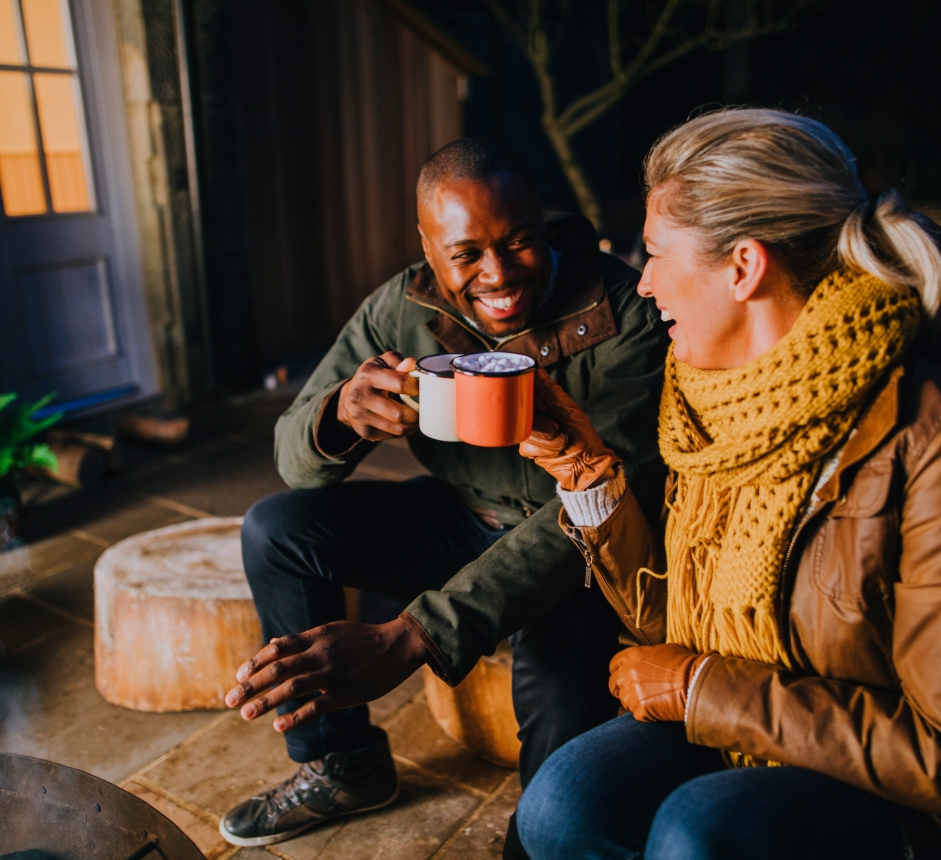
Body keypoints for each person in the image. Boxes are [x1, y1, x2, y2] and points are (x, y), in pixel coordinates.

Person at [513, 109, 941, 859]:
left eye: (658, 254)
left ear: (744, 266)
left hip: (927, 805)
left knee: (701, 834)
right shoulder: (711, 401)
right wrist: (585, 472)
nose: (646, 285)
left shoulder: (937, 440)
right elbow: (678, 630)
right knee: (562, 804)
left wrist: (704, 692)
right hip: (749, 728)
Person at [218, 138, 670, 853]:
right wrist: (339, 416)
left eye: (520, 241)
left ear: (542, 221)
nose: (498, 274)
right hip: (464, 516)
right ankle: (343, 765)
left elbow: (594, 511)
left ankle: (534, 845)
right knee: (276, 529)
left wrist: (413, 634)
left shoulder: (623, 314)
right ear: (428, 248)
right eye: (466, 255)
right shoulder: (398, 310)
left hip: (579, 548)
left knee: (560, 699)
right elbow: (291, 456)